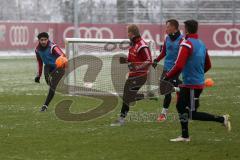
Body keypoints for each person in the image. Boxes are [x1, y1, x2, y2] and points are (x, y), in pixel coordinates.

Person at [164, 20, 231, 142]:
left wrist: (167, 76)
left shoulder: (187, 44)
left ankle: (222, 119)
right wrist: (198, 75)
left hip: (192, 85)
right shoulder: (201, 44)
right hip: (192, 83)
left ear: (187, 30)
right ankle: (185, 136)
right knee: (180, 106)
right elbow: (208, 65)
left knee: (192, 114)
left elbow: (178, 65)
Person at [111, 24, 152, 126]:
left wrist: (137, 68)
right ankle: (146, 95)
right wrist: (125, 60)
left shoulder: (142, 45)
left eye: (128, 32)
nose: (127, 34)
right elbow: (132, 60)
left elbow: (149, 60)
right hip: (133, 75)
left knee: (127, 97)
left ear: (132, 33)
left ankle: (121, 119)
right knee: (127, 96)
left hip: (140, 76)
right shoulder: (133, 44)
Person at [152, 19, 183, 121]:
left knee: (166, 89)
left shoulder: (182, 39)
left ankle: (163, 114)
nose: (166, 29)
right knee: (164, 89)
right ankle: (180, 87)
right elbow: (164, 52)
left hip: (175, 68)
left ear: (174, 27)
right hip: (166, 67)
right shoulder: (167, 38)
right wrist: (156, 60)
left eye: (168, 26)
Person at [34, 32, 66, 112]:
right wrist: (38, 75)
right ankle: (52, 83)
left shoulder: (53, 47)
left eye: (45, 39)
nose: (44, 41)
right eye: (42, 40)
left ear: (48, 39)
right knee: (46, 67)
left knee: (52, 87)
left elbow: (62, 56)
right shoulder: (37, 50)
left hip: (59, 68)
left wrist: (62, 60)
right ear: (39, 40)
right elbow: (40, 63)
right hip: (48, 68)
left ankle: (45, 106)